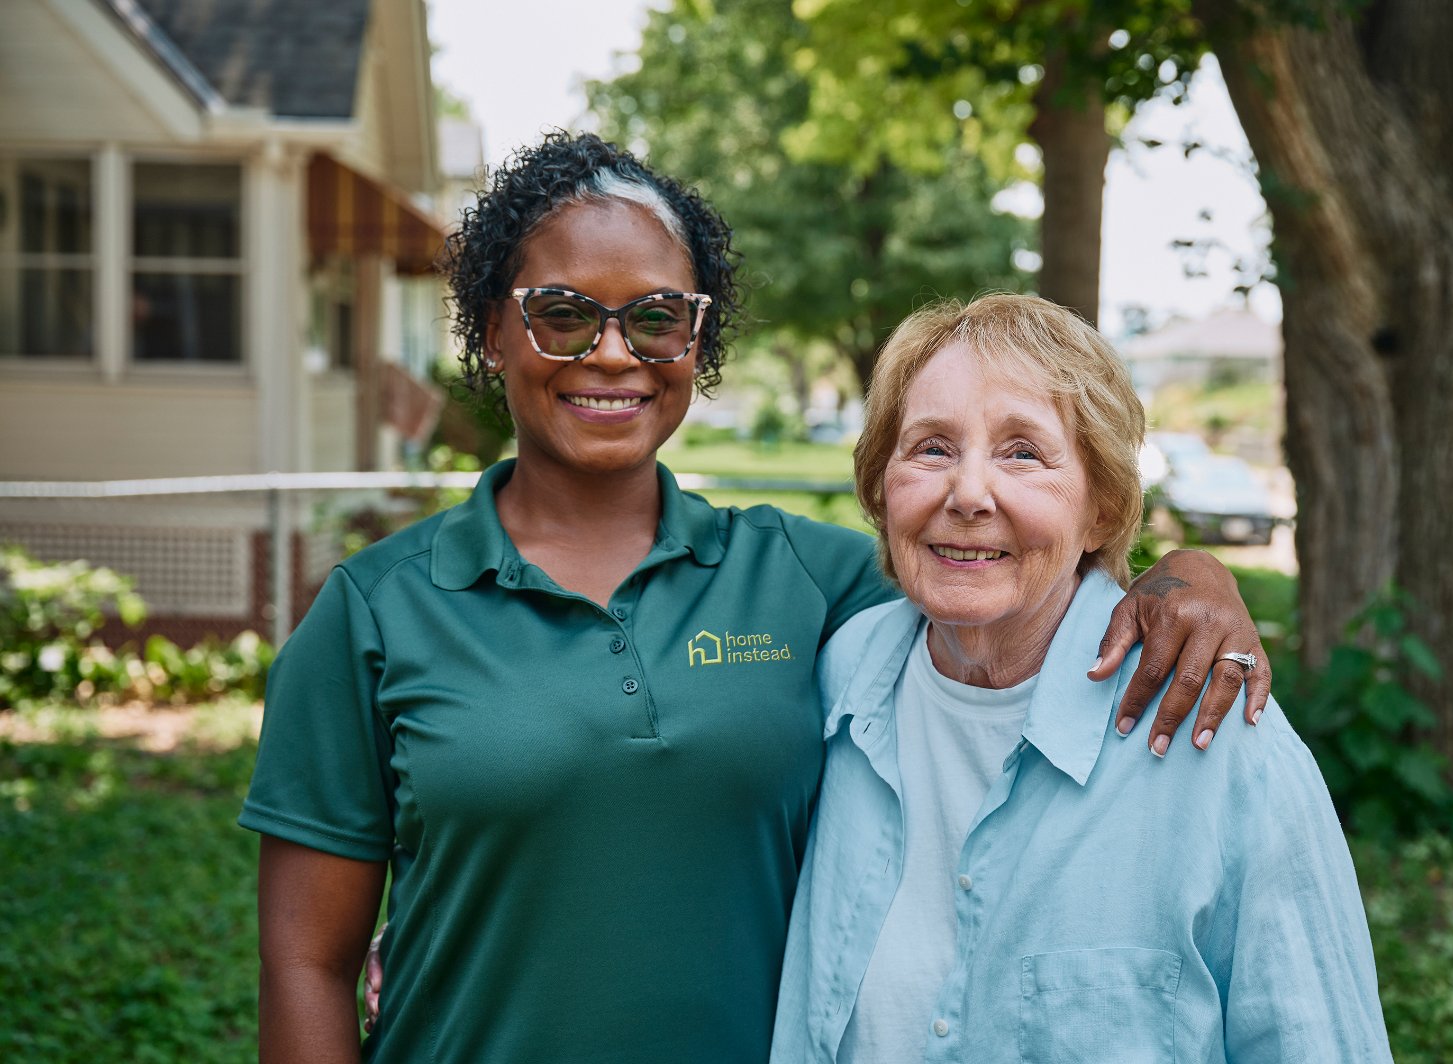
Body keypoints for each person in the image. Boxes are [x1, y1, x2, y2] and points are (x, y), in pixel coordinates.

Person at [242, 133, 1271, 1064]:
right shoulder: (373, 613)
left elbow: (1006, 575)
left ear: (699, 341)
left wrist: (1188, 575)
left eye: (656, 317)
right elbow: (308, 966)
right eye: (561, 314)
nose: (611, 352)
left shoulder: (808, 581)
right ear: (494, 333)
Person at [770, 293, 1390, 1063]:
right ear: (881, 486)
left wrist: (1194, 570)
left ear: (1100, 509)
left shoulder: (1219, 740)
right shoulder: (833, 681)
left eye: (1023, 452)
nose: (967, 494)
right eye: (931, 447)